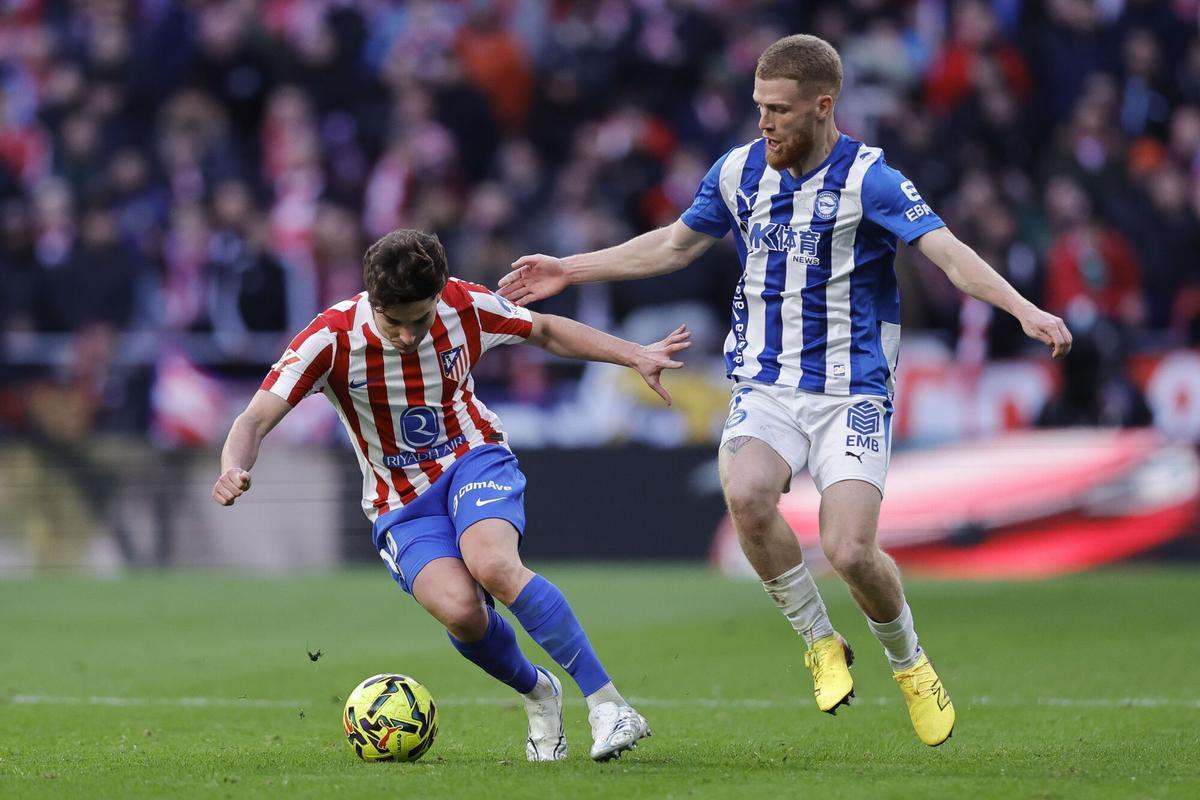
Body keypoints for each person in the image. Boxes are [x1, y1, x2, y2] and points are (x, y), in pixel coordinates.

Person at [500, 34, 1072, 747]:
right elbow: (674, 244)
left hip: (851, 388)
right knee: (745, 492)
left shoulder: (872, 179)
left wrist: (1023, 307)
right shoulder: (738, 171)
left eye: (778, 110)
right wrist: (570, 269)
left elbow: (948, 254)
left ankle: (909, 661)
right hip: (767, 382)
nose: (764, 123)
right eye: (758, 107)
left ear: (822, 106)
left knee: (852, 550)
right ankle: (819, 642)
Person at [213, 229, 690, 761]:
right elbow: (254, 418)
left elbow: (547, 331)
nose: (408, 335)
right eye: (395, 322)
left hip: (473, 458)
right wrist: (233, 466)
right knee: (462, 612)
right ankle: (539, 691)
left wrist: (634, 355)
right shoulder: (330, 338)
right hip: (399, 503)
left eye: (420, 319)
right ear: (373, 302)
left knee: (493, 565)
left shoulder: (464, 305)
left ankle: (608, 705)